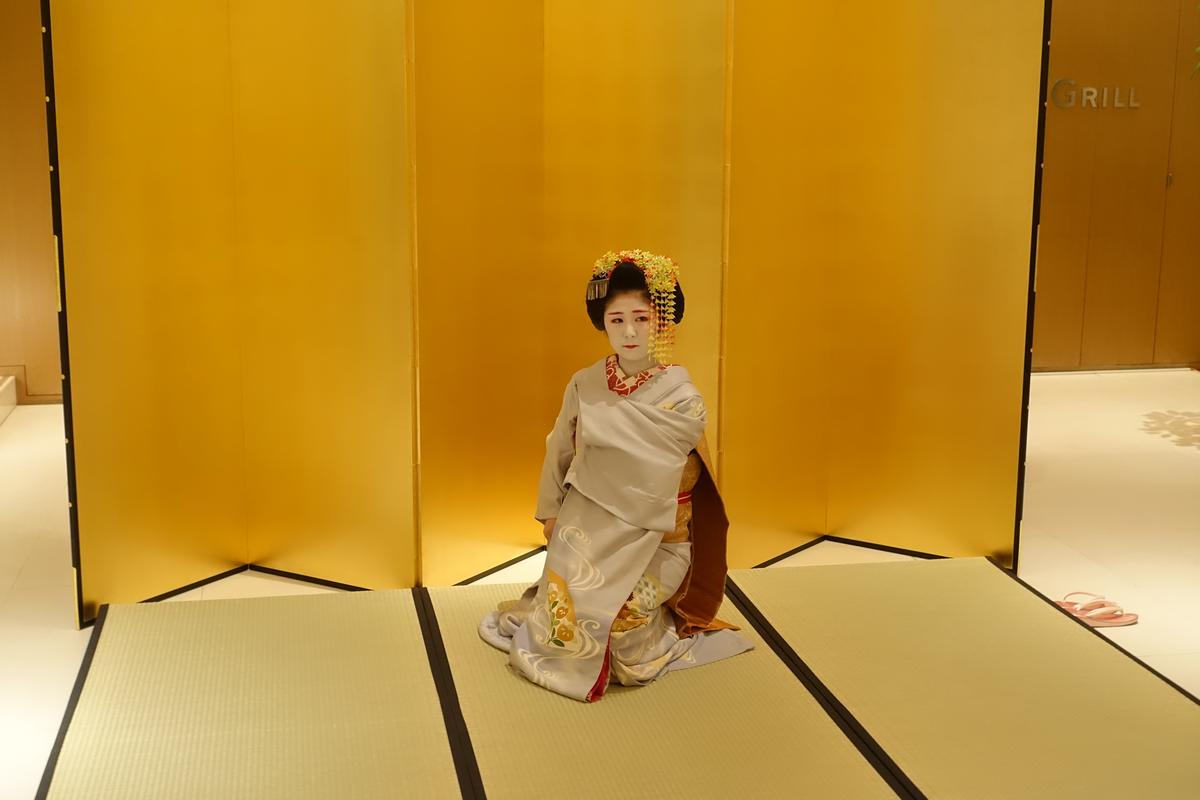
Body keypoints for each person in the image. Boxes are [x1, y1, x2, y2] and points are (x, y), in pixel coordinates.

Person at [479, 249, 753, 702]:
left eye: (642, 319)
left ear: (662, 322)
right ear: (602, 323)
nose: (629, 332)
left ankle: (663, 619)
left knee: (623, 642)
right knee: (563, 626)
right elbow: (559, 450)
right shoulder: (584, 384)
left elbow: (663, 480)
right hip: (585, 533)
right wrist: (550, 513)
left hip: (656, 541)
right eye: (616, 319)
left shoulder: (682, 399)